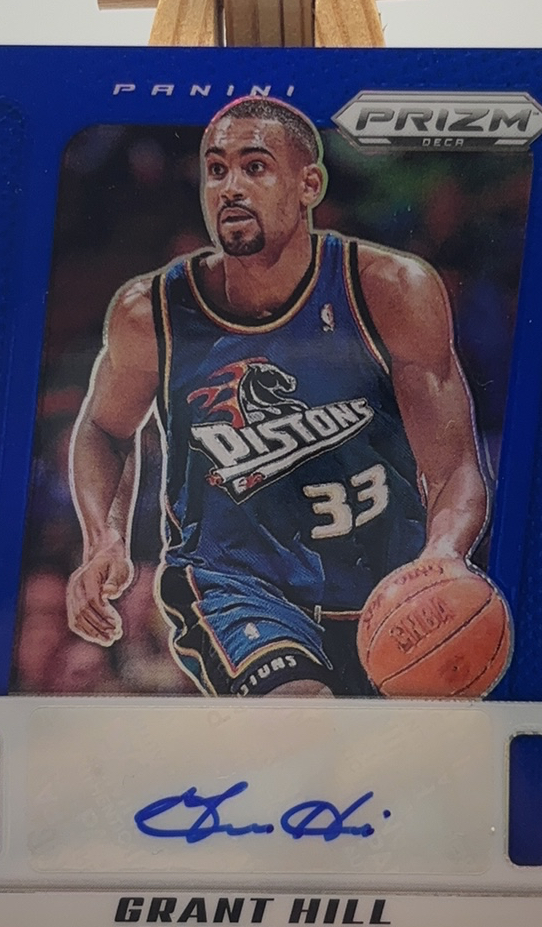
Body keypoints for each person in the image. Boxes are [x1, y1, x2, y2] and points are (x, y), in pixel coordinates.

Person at [66, 96, 487, 702]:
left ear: (309, 184)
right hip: (233, 585)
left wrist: (444, 555)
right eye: (216, 170)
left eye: (255, 166)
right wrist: (104, 536)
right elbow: (104, 429)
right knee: (299, 713)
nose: (230, 187)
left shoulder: (390, 290)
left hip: (383, 590)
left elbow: (454, 469)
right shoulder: (151, 312)